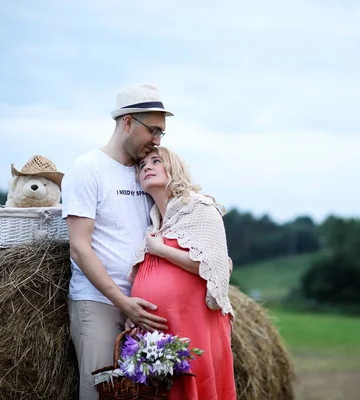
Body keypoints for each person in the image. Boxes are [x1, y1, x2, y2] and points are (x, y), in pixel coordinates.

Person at [62, 84, 173, 400]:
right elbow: (79, 247)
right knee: (101, 393)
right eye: (153, 130)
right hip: (99, 303)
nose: (157, 140)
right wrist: (123, 302)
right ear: (127, 122)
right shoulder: (88, 169)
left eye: (161, 133)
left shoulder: (148, 171)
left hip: (144, 305)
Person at [129, 146, 237, 400]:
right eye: (142, 164)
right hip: (160, 330)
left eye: (156, 161)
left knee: (194, 387)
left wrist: (161, 249)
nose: (147, 167)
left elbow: (216, 266)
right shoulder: (155, 221)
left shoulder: (199, 208)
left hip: (194, 324)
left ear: (174, 169)